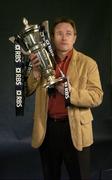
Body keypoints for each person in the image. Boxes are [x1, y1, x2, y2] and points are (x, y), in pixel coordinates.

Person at [26, 17, 103, 180]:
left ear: (75, 37)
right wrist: (35, 71)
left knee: (80, 176)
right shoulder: (40, 61)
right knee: (50, 176)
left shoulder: (88, 63)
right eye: (59, 33)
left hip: (76, 129)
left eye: (68, 33)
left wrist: (69, 91)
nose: (64, 37)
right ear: (52, 37)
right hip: (47, 129)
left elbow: (96, 97)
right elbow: (28, 89)